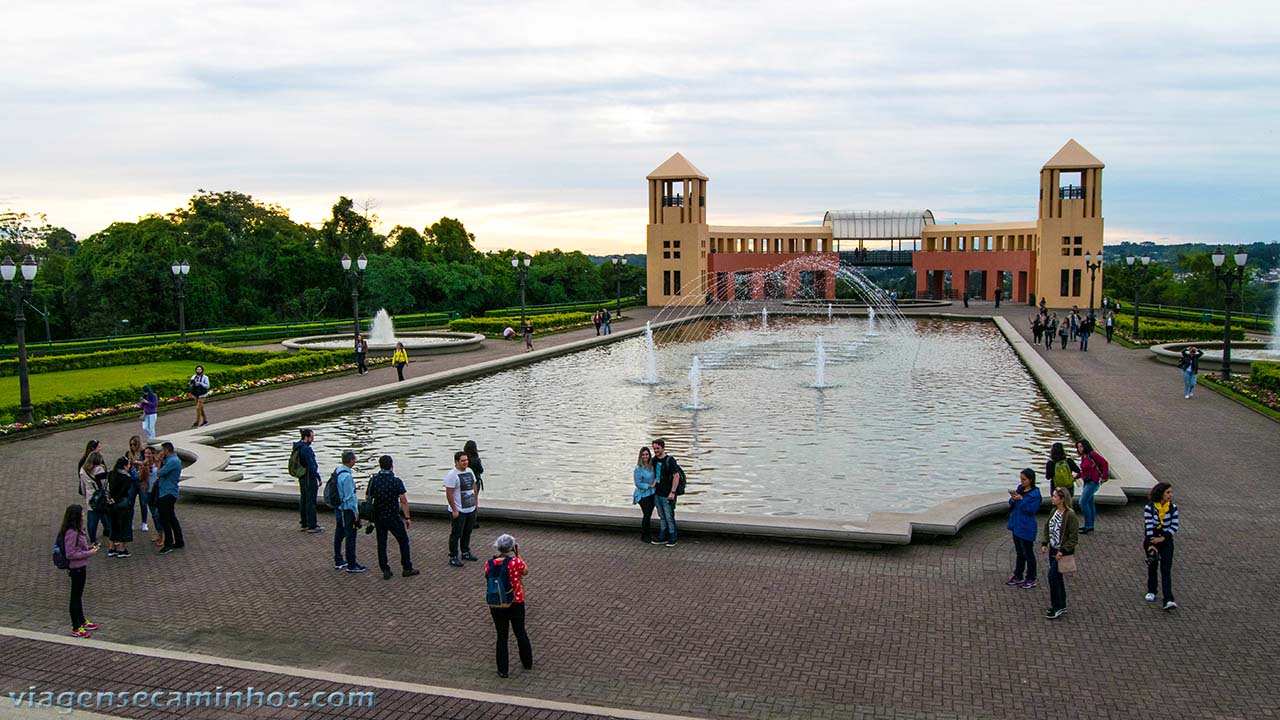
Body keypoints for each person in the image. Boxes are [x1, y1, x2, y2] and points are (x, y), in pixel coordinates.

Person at [485, 534, 533, 678]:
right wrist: (518, 555)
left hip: (497, 603)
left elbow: (487, 576)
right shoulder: (515, 562)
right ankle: (527, 661)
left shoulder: (489, 563)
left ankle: (503, 669)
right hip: (516, 601)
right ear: (512, 547)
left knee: (502, 635)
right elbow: (525, 571)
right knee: (520, 632)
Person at [366, 455, 418, 580]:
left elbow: (368, 498)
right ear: (391, 466)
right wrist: (407, 517)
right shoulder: (396, 481)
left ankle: (385, 569)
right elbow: (403, 500)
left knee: (381, 543)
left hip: (379, 516)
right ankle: (407, 567)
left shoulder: (374, 480)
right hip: (393, 516)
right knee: (403, 540)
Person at [59, 504, 99, 638]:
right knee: (75, 597)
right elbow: (70, 553)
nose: (84, 515)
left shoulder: (78, 530)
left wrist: (88, 547)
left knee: (78, 595)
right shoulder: (72, 532)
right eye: (82, 513)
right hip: (76, 568)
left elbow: (79, 547)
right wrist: (89, 553)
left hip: (81, 567)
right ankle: (76, 627)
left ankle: (82, 621)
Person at [1040, 487, 1079, 620]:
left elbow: (1073, 538)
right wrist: (1045, 543)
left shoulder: (1070, 515)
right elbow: (1047, 527)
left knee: (1052, 577)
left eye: (1055, 496)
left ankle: (1056, 606)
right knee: (1057, 577)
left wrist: (1063, 551)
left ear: (1062, 499)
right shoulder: (1054, 511)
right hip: (1053, 550)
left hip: (1061, 552)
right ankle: (1061, 604)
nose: (1053, 498)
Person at [1143, 483, 1179, 611]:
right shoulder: (1150, 508)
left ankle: (1168, 599)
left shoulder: (1173, 508)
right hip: (1152, 539)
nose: (1170, 495)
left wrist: (1164, 537)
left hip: (1166, 541)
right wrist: (1152, 543)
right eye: (1168, 492)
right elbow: (1148, 526)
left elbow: (1174, 526)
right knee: (1153, 566)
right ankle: (1152, 590)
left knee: (1166, 569)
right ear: (1161, 493)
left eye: (1171, 492)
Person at [1006, 468, 1042, 590]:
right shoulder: (1020, 489)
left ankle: (1031, 577)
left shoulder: (1035, 495)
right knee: (1019, 552)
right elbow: (1012, 503)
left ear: (1031, 480)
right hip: (1017, 525)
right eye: (1021, 479)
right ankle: (1018, 574)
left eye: (1024, 479)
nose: (1022, 482)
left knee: (1028, 553)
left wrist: (1021, 501)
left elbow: (1031, 510)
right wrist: (1013, 498)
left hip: (1026, 527)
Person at [444, 451, 479, 567]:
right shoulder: (452, 475)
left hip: (470, 508)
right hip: (459, 510)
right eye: (463, 461)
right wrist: (454, 509)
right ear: (456, 462)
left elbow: (474, 487)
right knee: (456, 533)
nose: (465, 462)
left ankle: (465, 552)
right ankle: (453, 556)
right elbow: (449, 494)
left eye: (466, 460)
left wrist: (476, 503)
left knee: (467, 532)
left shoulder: (470, 471)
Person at [332, 450, 364, 573]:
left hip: (339, 508)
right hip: (347, 510)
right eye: (354, 459)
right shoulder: (347, 477)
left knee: (339, 533)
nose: (355, 461)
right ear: (351, 461)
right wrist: (356, 512)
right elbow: (350, 497)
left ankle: (338, 560)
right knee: (351, 536)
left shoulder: (338, 470)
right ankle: (352, 564)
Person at [651, 439, 684, 547]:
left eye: (657, 448)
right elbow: (656, 475)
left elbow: (676, 476)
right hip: (658, 493)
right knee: (662, 516)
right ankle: (662, 536)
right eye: (654, 448)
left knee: (669, 516)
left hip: (668, 494)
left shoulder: (670, 460)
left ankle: (672, 537)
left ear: (663, 448)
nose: (656, 450)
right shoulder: (654, 460)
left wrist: (673, 492)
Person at [155, 442, 185, 554]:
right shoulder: (172, 460)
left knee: (165, 519)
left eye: (162, 451)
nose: (161, 453)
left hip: (167, 493)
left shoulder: (172, 461)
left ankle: (168, 543)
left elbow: (160, 473)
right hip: (168, 492)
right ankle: (179, 540)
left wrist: (158, 463)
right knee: (171, 517)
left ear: (167, 451)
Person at [1075, 438, 1107, 533]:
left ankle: (1088, 524)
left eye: (1081, 446)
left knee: (1083, 502)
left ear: (1085, 446)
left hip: (1093, 481)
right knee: (1089, 502)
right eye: (1078, 447)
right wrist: (1077, 476)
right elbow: (1084, 470)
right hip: (1087, 481)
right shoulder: (1083, 456)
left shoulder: (1092, 454)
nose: (1079, 449)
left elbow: (1104, 463)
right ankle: (1090, 524)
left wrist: (1105, 476)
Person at [294, 429, 323, 533]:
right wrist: (318, 477)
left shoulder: (298, 447)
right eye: (311, 437)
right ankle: (312, 525)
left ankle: (304, 523)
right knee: (311, 501)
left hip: (302, 477)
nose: (313, 440)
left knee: (304, 499)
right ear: (306, 437)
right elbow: (311, 465)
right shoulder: (306, 449)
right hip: (309, 477)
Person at [79, 449, 109, 547]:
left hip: (90, 495)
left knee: (92, 519)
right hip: (100, 495)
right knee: (106, 515)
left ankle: (93, 540)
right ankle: (112, 535)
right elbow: (105, 483)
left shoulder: (83, 470)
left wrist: (85, 495)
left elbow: (82, 486)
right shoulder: (100, 469)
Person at [139, 446, 164, 548]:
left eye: (149, 453)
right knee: (153, 514)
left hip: (158, 490)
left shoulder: (159, 463)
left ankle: (163, 535)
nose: (147, 455)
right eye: (145, 453)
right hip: (148, 491)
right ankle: (159, 534)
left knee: (158, 514)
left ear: (153, 454)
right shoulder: (144, 464)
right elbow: (140, 478)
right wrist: (143, 468)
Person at [633, 446, 658, 544]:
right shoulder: (638, 468)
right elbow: (637, 483)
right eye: (643, 455)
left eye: (647, 454)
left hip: (652, 493)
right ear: (640, 456)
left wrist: (655, 482)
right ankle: (644, 535)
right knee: (647, 514)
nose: (645, 456)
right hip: (642, 495)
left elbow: (656, 476)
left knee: (649, 514)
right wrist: (649, 485)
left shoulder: (652, 466)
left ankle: (648, 533)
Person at [125, 434, 149, 532]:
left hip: (141, 480)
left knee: (143, 502)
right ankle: (130, 522)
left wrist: (139, 463)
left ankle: (144, 522)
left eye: (134, 445)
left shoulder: (143, 453)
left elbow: (148, 462)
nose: (132, 447)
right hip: (132, 481)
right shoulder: (128, 454)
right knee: (130, 502)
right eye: (131, 445)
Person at [464, 440, 485, 529]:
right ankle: (473, 521)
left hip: (465, 481)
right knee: (474, 501)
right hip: (475, 482)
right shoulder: (476, 460)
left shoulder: (464, 459)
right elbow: (481, 470)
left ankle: (465, 520)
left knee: (465, 501)